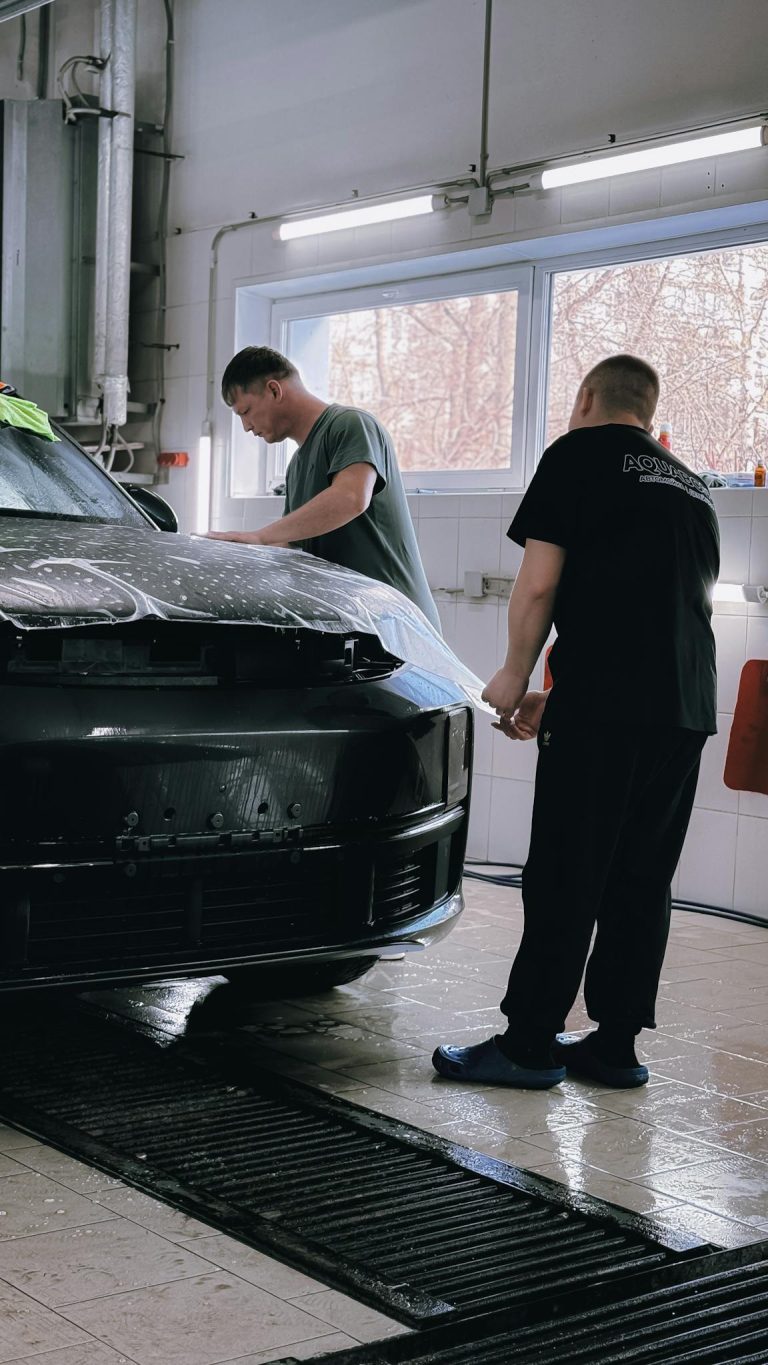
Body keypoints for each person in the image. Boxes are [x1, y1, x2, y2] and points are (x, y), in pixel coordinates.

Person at [433, 354, 719, 1090]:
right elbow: (650, 611)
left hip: (607, 709)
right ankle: (615, 1044)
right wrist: (560, 697)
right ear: (650, 412)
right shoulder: (692, 484)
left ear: (587, 397)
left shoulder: (576, 454)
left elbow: (541, 582)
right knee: (640, 876)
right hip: (684, 708)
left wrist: (514, 671)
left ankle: (529, 1043)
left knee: (566, 868)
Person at [206, 346, 440, 631]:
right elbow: (293, 544)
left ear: (274, 390)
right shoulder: (296, 467)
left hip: (398, 623)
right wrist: (235, 555)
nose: (245, 427)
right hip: (357, 625)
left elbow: (351, 498)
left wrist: (260, 536)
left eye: (246, 411)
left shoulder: (350, 425)